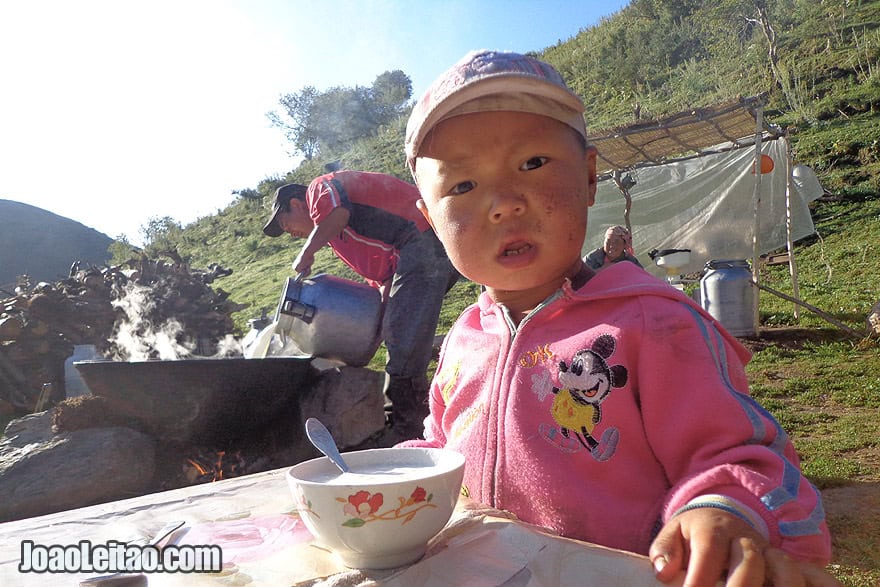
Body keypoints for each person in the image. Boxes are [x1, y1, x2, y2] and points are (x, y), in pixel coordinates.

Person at [401, 50, 837, 586]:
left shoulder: (653, 324)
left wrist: (721, 509)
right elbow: (443, 446)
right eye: (462, 186)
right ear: (429, 218)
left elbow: (736, 455)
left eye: (533, 163)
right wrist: (394, 471)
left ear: (588, 178)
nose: (504, 203)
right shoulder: (463, 340)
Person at [262, 170, 459, 442]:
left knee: (402, 336)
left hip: (423, 235)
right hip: (415, 253)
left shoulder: (319, 190)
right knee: (400, 332)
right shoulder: (344, 242)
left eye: (286, 224)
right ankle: (419, 415)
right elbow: (384, 284)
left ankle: (406, 427)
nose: (291, 234)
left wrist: (307, 253)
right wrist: (373, 331)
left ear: (296, 204)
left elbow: (337, 213)